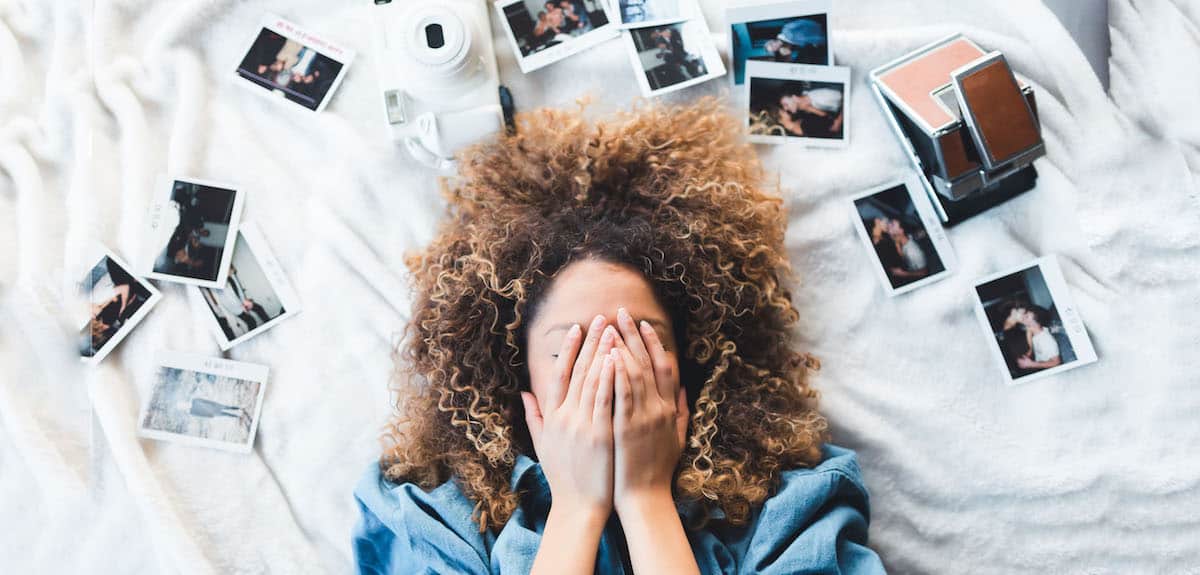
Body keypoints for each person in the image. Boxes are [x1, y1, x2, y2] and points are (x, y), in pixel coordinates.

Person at [352, 100, 885, 573]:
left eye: (639, 342)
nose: (609, 370)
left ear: (692, 359)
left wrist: (646, 498)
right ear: (517, 370)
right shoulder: (429, 512)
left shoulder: (797, 504)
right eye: (571, 348)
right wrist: (577, 507)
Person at [1002, 304, 1062, 371]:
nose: (1023, 316)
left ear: (1036, 323)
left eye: (1026, 316)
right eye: (1025, 313)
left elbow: (1057, 362)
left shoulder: (1046, 340)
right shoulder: (1035, 332)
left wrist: (1031, 364)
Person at [776, 84, 843, 138]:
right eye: (783, 106)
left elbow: (846, 98)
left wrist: (839, 119)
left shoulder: (821, 97)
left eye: (786, 104)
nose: (785, 109)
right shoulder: (802, 111)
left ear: (794, 98)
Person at [763, 18, 827, 63]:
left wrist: (818, 27)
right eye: (774, 50)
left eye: (772, 46)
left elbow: (803, 22)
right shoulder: (787, 45)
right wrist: (814, 42)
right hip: (820, 39)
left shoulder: (786, 29)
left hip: (821, 30)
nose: (775, 48)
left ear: (772, 41)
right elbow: (804, 42)